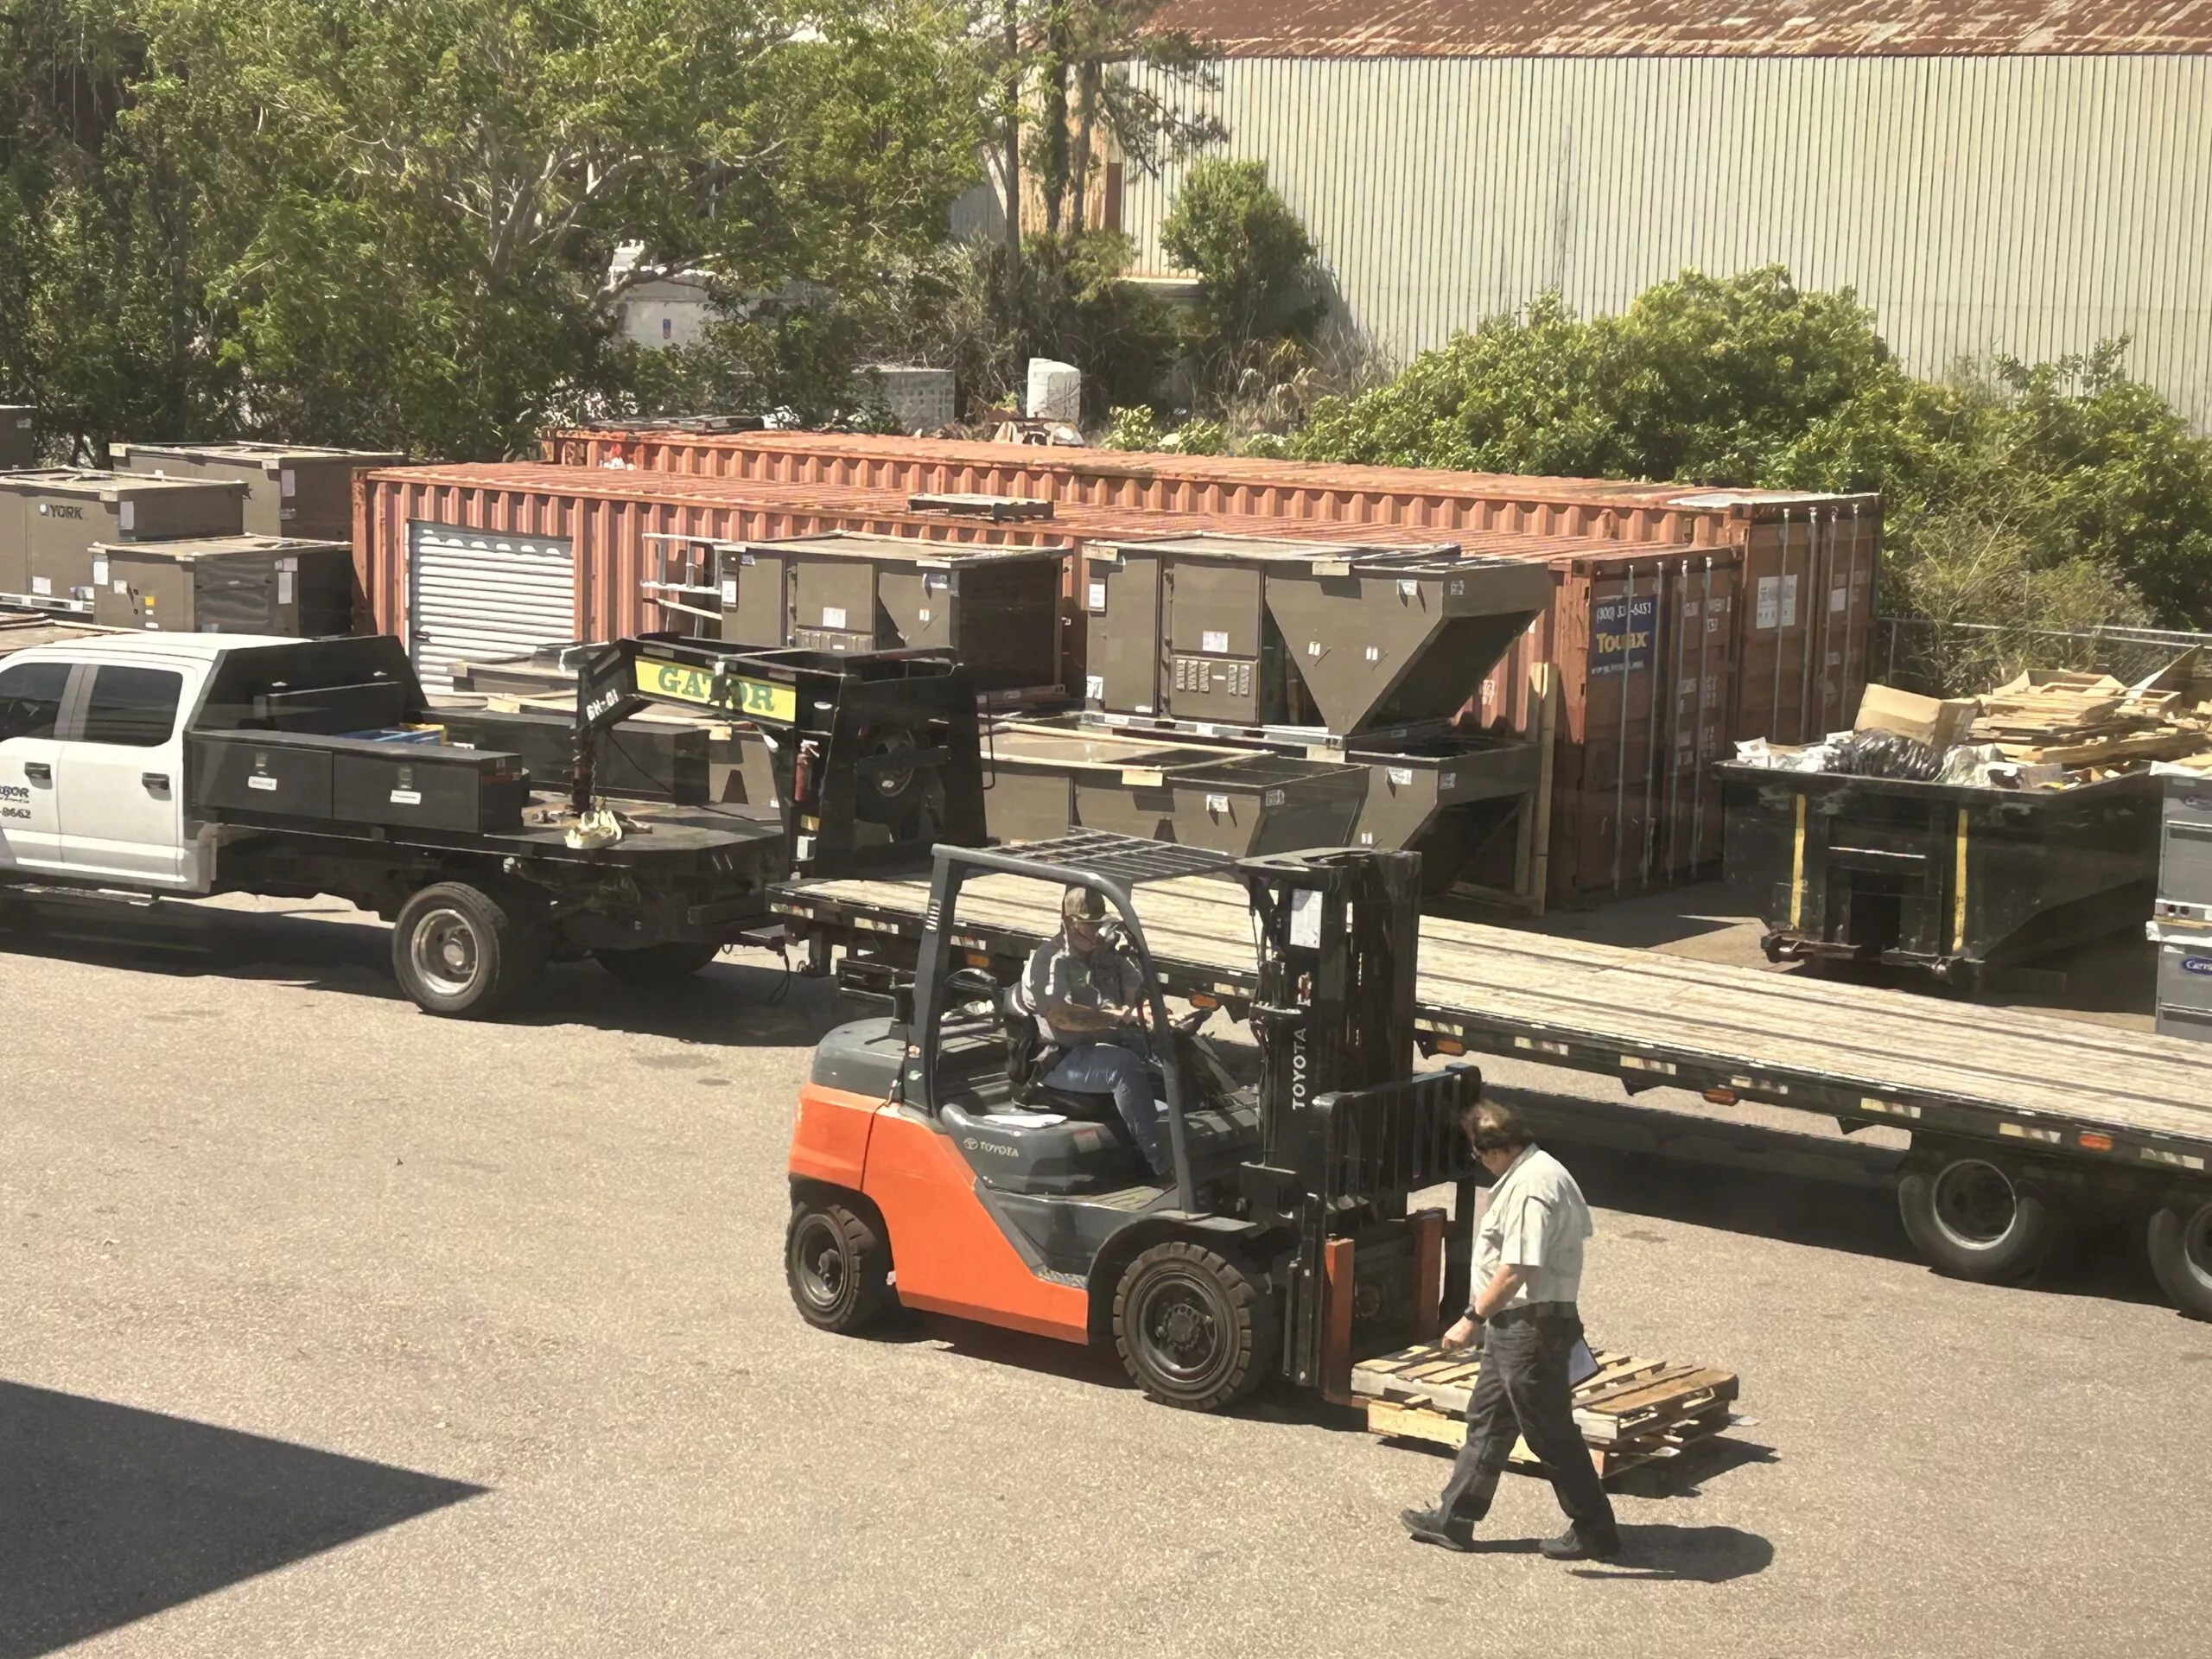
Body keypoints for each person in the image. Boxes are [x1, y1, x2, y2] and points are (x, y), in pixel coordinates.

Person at [1399, 1097, 1624, 1562]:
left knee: (1549, 1432)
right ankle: (1454, 1520)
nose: (1477, 1160)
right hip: (1517, 1327)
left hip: (1531, 1330)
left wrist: (1471, 1318)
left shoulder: (1531, 1188)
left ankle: (1595, 1530)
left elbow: (1518, 1266)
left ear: (1497, 1148)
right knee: (1487, 1421)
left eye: (1477, 1152)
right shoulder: (1537, 1171)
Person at [1021, 886, 1171, 1179]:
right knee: (1123, 1067)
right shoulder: (1049, 960)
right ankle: (1162, 1162)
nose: (1096, 931)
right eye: (1088, 924)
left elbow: (1138, 993)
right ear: (1069, 921)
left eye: (1098, 923)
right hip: (1063, 1058)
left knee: (1175, 1050)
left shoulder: (1108, 956)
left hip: (1108, 1044)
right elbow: (1062, 1017)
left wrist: (1156, 1016)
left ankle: (1194, 1137)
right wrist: (1116, 1019)